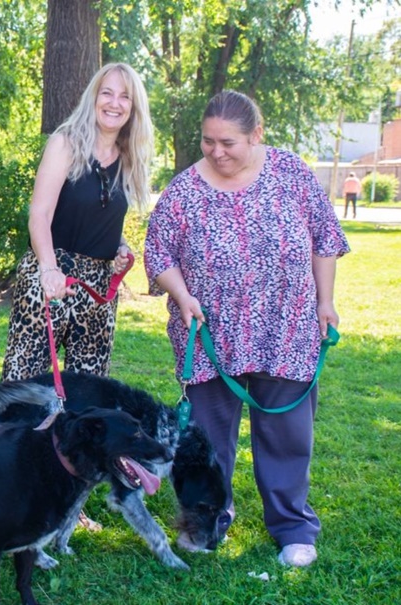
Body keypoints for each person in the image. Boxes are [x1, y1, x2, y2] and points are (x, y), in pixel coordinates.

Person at [144, 90, 350, 568]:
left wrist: (325, 302)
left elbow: (324, 237)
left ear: (257, 134)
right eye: (208, 141)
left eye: (229, 142)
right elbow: (158, 254)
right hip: (210, 331)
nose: (217, 151)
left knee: (286, 434)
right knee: (209, 439)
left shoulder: (292, 172)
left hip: (288, 325)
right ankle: (206, 522)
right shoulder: (184, 189)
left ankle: (293, 527)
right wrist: (182, 295)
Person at [1, 62, 154, 381]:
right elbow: (39, 215)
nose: (114, 103)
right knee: (22, 388)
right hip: (51, 278)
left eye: (124, 97)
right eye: (107, 93)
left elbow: (100, 217)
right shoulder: (65, 143)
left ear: (133, 107)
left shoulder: (128, 158)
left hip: (99, 288)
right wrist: (48, 269)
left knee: (88, 398)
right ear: (93, 98)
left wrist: (121, 246)